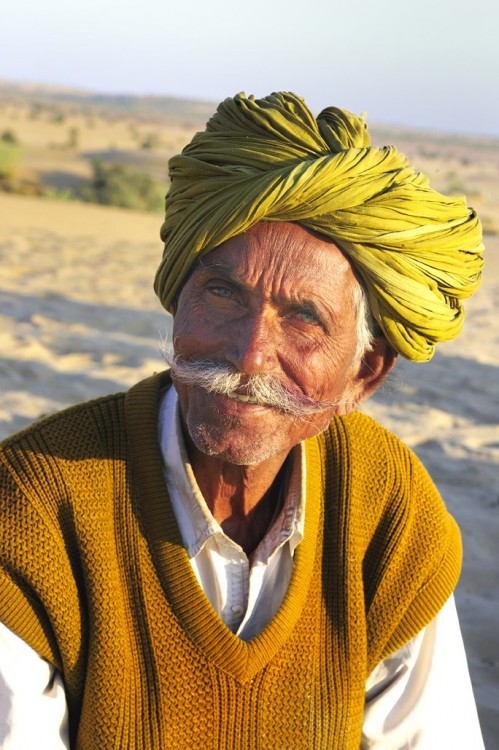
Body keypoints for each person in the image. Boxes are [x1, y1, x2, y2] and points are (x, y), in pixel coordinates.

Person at [0, 92, 485, 749]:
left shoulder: (389, 513)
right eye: (222, 293)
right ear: (177, 305)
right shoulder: (32, 507)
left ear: (364, 373)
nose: (248, 353)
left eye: (305, 318)